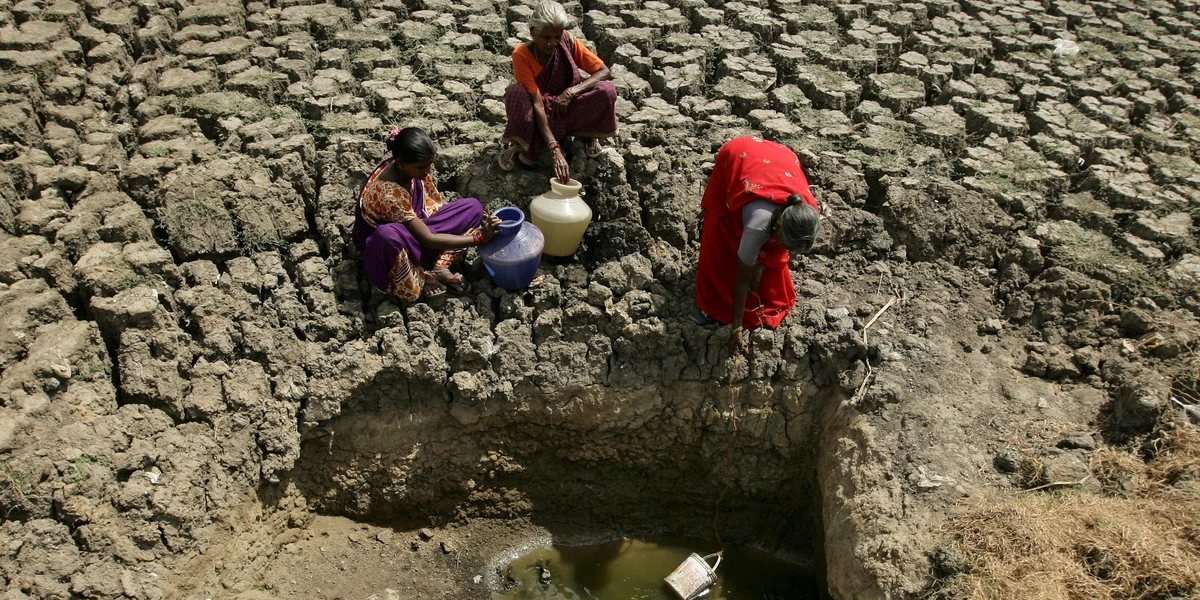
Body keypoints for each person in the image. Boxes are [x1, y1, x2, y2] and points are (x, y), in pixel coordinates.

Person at [693, 136, 822, 356]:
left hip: (779, 159)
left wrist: (761, 266)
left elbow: (776, 249)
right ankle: (707, 303)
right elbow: (742, 282)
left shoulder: (806, 212)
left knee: (762, 271)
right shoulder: (757, 225)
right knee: (721, 245)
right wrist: (736, 328)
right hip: (737, 156)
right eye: (783, 243)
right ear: (778, 227)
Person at [353, 127, 501, 301]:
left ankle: (439, 267)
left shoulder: (404, 169)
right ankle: (420, 277)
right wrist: (478, 239)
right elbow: (428, 239)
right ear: (400, 162)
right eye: (421, 167)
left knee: (473, 208)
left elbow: (426, 215)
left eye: (430, 164)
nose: (428, 171)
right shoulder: (388, 193)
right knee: (387, 236)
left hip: (415, 227)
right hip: (392, 245)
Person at [499, 0, 618, 182]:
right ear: (533, 33)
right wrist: (554, 148)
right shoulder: (522, 55)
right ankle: (522, 146)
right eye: (546, 38)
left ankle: (588, 133)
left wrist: (572, 92)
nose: (553, 43)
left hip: (567, 107)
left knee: (606, 91)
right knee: (515, 94)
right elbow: (537, 103)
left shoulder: (568, 41)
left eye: (557, 36)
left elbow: (604, 71)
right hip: (544, 112)